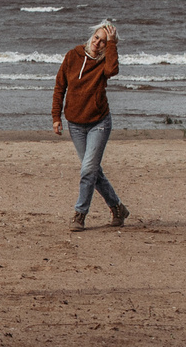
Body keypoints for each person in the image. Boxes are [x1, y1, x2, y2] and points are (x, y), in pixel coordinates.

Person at [51, 19, 129, 231]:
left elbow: (113, 70)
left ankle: (80, 214)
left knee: (87, 170)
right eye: (97, 38)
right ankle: (117, 207)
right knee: (92, 170)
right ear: (91, 36)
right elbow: (60, 87)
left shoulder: (105, 62)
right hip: (75, 124)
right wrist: (56, 117)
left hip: (99, 123)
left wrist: (113, 44)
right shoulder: (72, 56)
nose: (98, 43)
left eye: (104, 42)